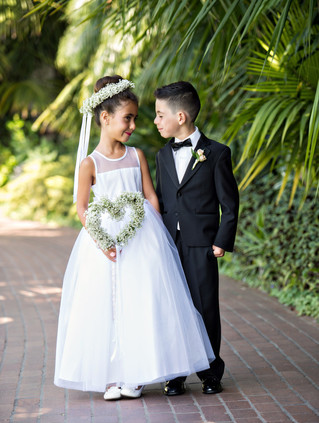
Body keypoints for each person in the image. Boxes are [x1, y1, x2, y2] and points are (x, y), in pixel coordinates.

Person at [54, 75, 215, 400]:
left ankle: (138, 374)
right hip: (105, 243)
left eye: (134, 118)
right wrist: (101, 240)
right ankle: (112, 376)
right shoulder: (90, 164)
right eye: (127, 118)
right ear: (105, 117)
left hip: (142, 238)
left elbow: (151, 197)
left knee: (143, 302)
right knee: (108, 305)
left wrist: (159, 240)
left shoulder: (136, 155)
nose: (132, 125)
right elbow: (82, 207)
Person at [154, 81, 239, 396]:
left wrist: (221, 239)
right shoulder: (163, 155)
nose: (156, 121)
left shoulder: (216, 153)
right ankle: (174, 374)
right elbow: (161, 199)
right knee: (171, 306)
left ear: (180, 116)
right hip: (167, 244)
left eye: (160, 115)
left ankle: (210, 371)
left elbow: (229, 203)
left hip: (201, 244)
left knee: (205, 307)